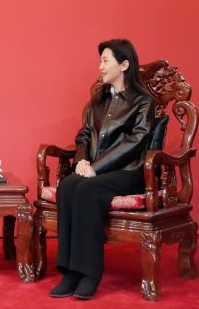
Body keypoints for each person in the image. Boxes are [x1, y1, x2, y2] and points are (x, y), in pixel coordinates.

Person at [50, 39, 154, 300]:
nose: (100, 66)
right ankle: (70, 271)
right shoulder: (97, 101)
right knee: (67, 185)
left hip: (128, 172)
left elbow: (136, 141)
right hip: (95, 171)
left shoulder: (143, 102)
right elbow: (84, 136)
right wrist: (82, 161)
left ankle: (89, 273)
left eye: (105, 61)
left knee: (86, 189)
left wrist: (97, 168)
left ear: (124, 65)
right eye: (100, 61)